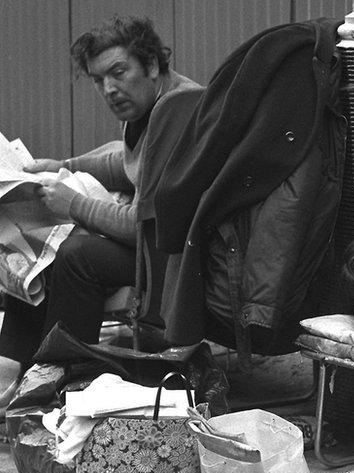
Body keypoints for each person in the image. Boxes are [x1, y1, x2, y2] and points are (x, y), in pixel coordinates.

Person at [0, 16, 203, 375]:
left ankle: (61, 374)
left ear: (152, 64)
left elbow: (143, 224)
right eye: (98, 79)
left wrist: (73, 204)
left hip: (176, 261)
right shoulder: (147, 108)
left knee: (76, 253)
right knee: (35, 241)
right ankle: (18, 365)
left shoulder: (178, 111)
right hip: (156, 248)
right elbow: (126, 164)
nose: (109, 88)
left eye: (119, 72)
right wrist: (60, 164)